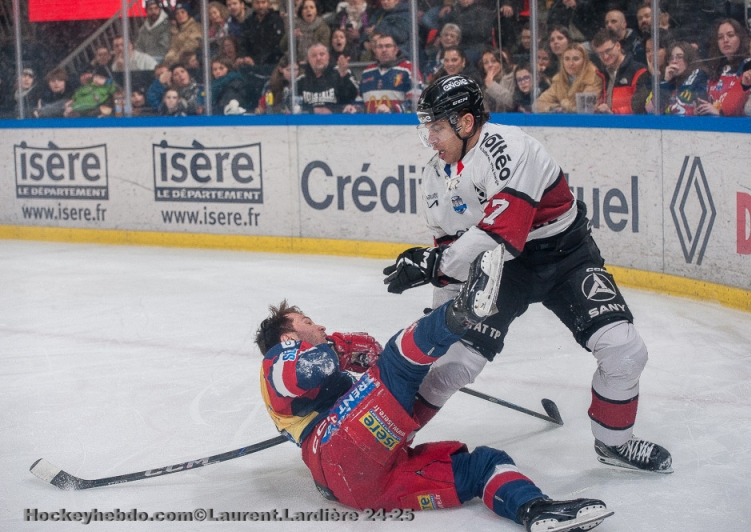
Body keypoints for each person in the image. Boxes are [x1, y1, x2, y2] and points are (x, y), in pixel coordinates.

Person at [383, 74, 673, 474]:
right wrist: (442, 326)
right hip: (500, 271)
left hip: (565, 255)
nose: (430, 139)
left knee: (625, 351)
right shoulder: (436, 176)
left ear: (465, 124)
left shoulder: (511, 149)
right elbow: (454, 256)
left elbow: (503, 236)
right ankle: (382, 442)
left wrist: (433, 265)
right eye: (427, 128)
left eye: (436, 127)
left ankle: (615, 443)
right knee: (453, 368)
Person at [259, 245, 614, 531]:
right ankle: (462, 311)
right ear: (289, 336)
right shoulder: (276, 361)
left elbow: (370, 354)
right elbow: (304, 371)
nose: (317, 324)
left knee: (482, 465)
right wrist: (342, 349)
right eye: (307, 322)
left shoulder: (314, 370)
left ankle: (533, 509)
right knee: (399, 360)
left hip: (366, 486)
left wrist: (361, 356)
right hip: (337, 446)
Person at [695, 18, 751, 117]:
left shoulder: (748, 65)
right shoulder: (715, 68)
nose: (725, 40)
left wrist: (720, 114)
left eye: (730, 35)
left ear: (740, 38)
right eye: (720, 37)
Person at [358, 33, 421, 113]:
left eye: (388, 46)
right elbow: (360, 101)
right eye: (380, 47)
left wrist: (393, 110)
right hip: (371, 124)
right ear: (375, 51)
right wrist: (355, 108)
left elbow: (416, 102)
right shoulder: (367, 71)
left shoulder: (409, 69)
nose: (384, 50)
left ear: (396, 49)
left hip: (400, 124)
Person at [591, 29, 646, 115]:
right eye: (600, 54)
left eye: (608, 50)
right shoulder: (601, 74)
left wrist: (613, 113)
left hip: (630, 126)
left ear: (618, 45)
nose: (605, 56)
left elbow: (641, 106)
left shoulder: (638, 71)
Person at [537, 43, 602, 113]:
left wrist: (564, 105)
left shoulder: (593, 77)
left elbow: (585, 108)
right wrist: (555, 108)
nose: (571, 63)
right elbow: (538, 104)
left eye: (576, 59)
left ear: (585, 61)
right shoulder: (559, 79)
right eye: (567, 59)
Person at [296, 42, 359, 113]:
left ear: (328, 56)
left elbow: (353, 96)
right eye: (314, 56)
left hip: (337, 121)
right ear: (308, 59)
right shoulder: (301, 80)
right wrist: (312, 110)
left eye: (322, 54)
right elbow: (289, 104)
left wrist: (344, 76)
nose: (318, 58)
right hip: (308, 122)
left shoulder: (340, 72)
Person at [653, 40, 708, 116]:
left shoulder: (699, 75)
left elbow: (684, 101)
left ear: (689, 59)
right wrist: (665, 82)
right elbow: (653, 108)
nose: (674, 61)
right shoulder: (668, 80)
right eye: (671, 58)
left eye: (679, 57)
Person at [239, 0, 285, 68]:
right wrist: (245, 57)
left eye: (263, 2)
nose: (260, 6)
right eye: (257, 3)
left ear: (269, 4)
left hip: (272, 63)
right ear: (252, 5)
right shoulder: (248, 22)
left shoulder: (276, 20)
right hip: (251, 64)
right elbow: (244, 43)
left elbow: (275, 45)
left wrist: (256, 60)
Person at [478, 48, 515, 113]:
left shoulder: (511, 79)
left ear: (501, 63)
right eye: (486, 62)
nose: (490, 65)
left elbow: (511, 102)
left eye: (494, 61)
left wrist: (491, 85)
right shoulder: (482, 85)